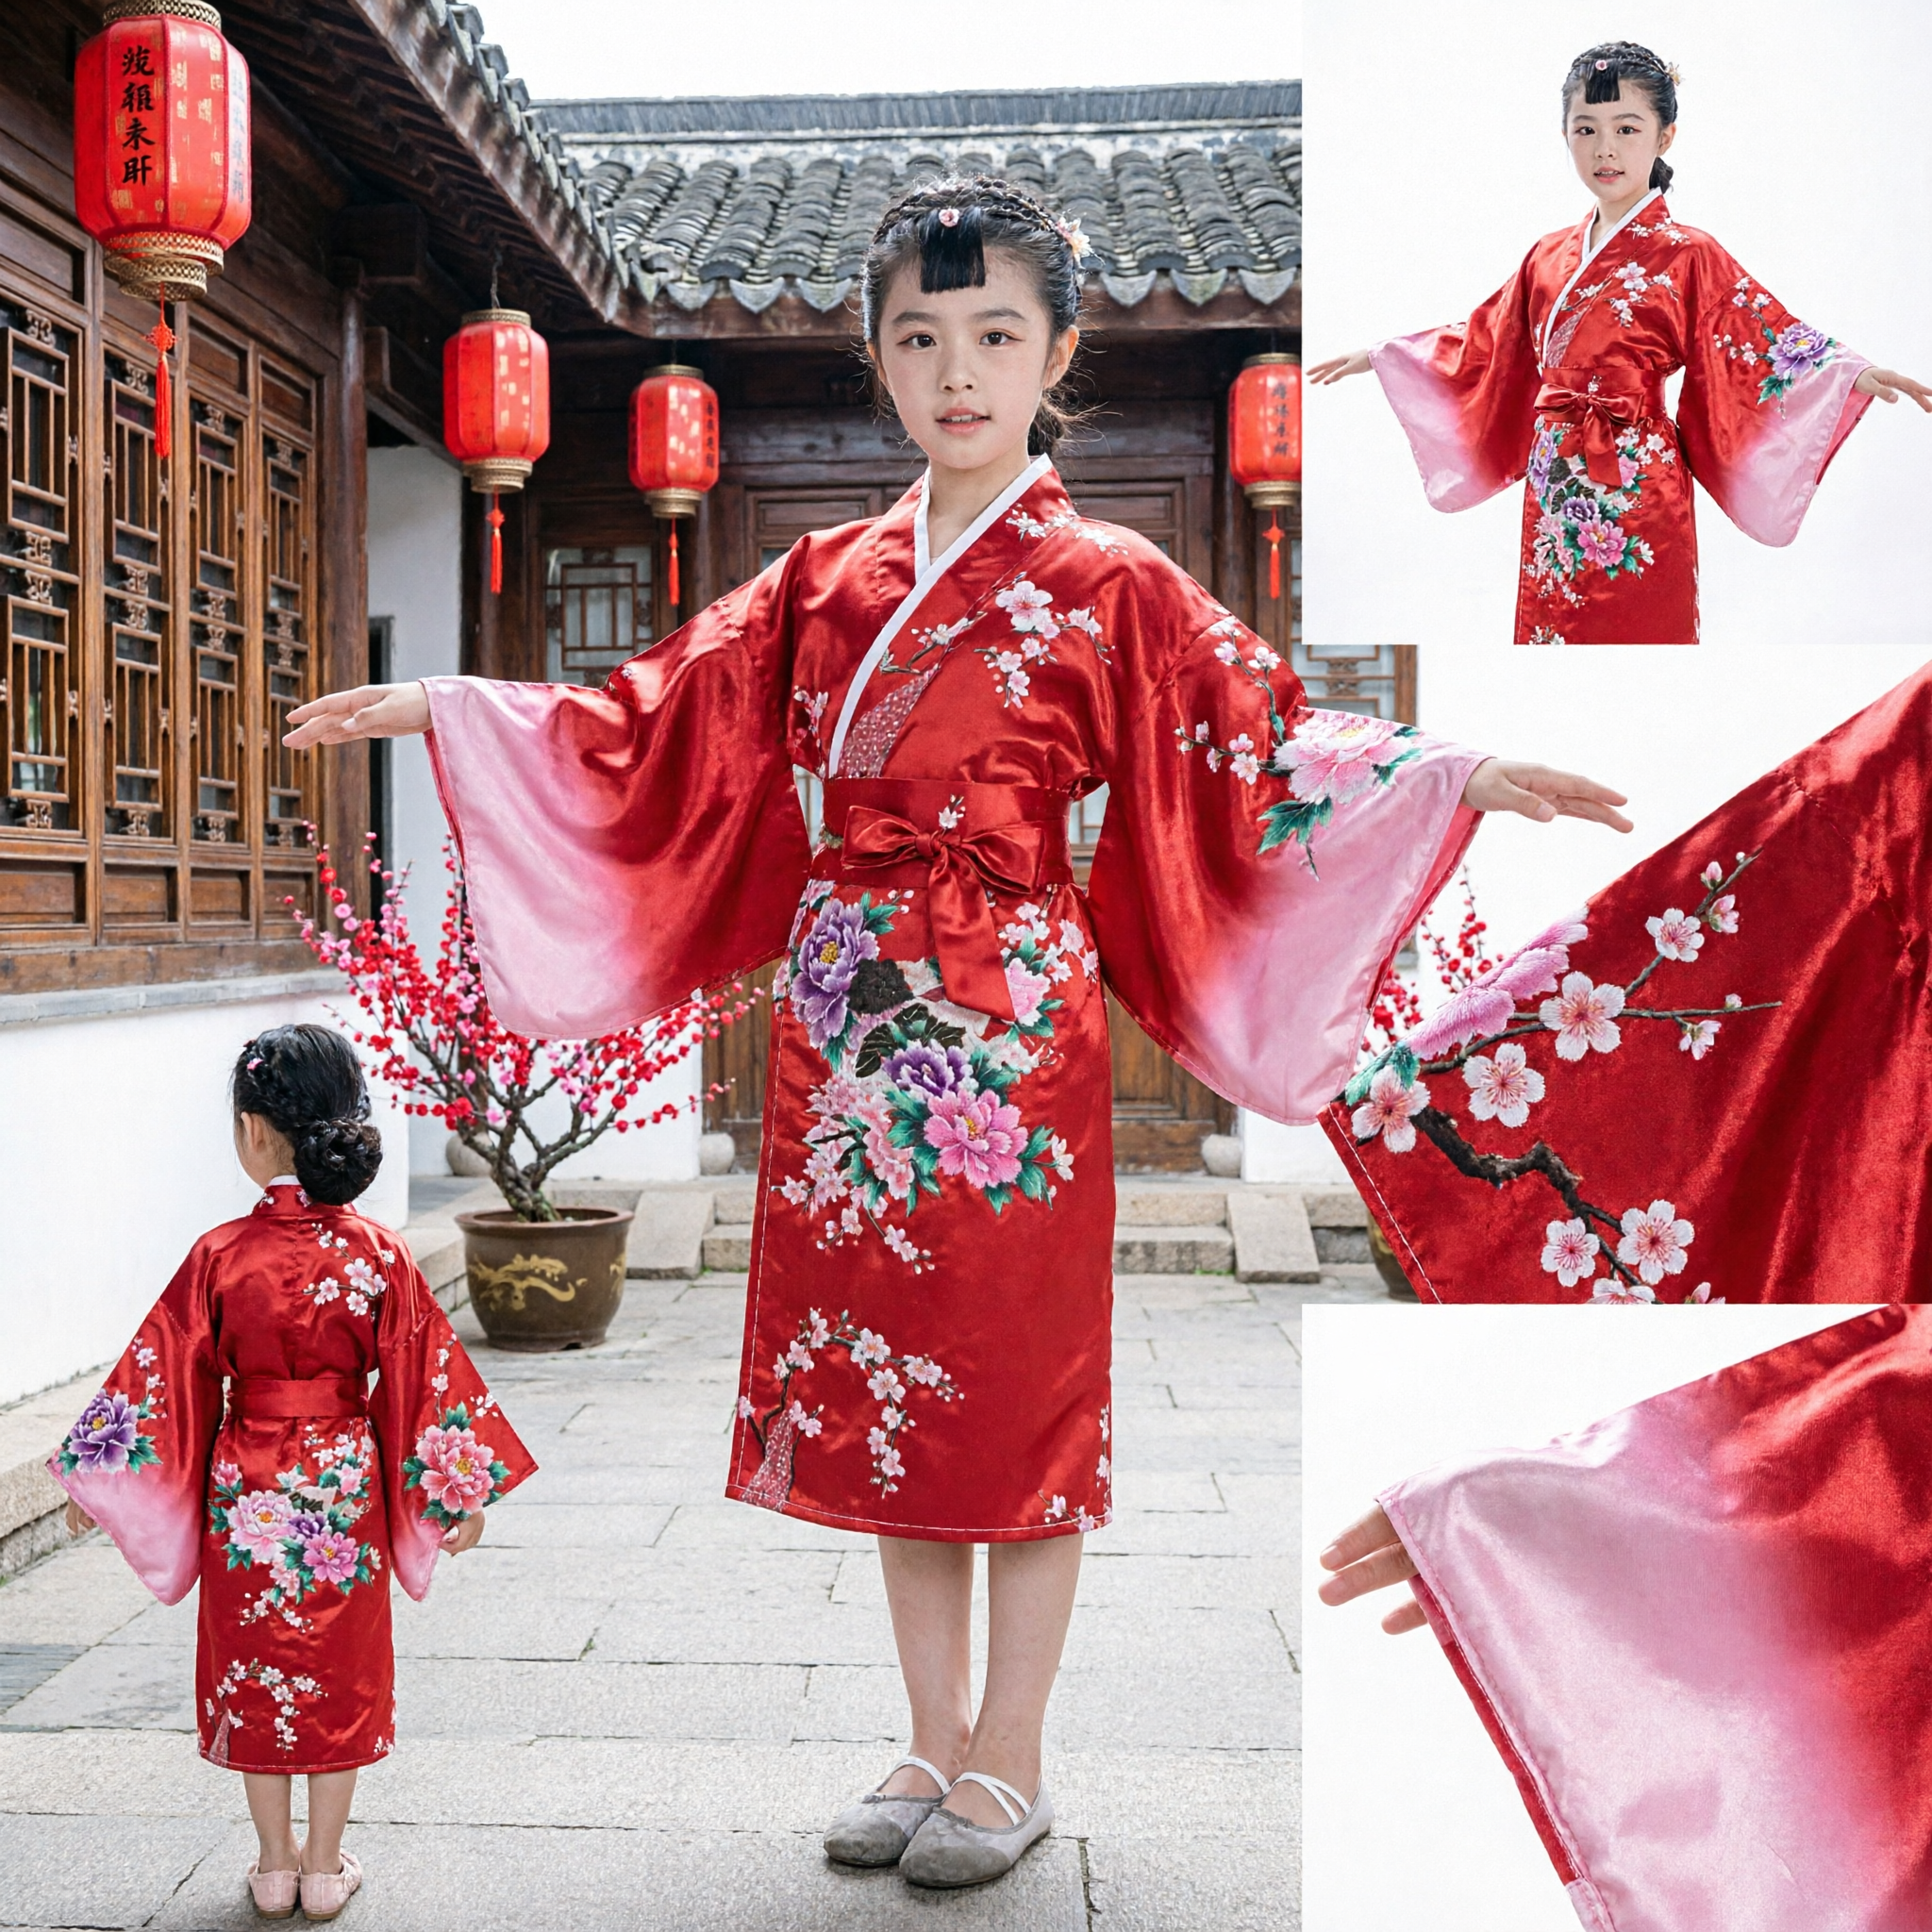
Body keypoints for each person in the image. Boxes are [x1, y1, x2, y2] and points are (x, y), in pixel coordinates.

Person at [282, 175, 1627, 1889]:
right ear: (877, 361)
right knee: (890, 1400)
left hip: (1005, 1037)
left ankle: (1016, 1752)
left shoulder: (1114, 578)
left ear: (1054, 353)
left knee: (1017, 1395)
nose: (956, 369)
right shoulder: (822, 579)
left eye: (995, 334)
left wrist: (1454, 773)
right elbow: (650, 717)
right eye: (917, 338)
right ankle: (927, 1737)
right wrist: (450, 706)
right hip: (848, 1029)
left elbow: (1261, 740)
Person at [52, 1024, 536, 1921]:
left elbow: (168, 1374)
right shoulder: (378, 1253)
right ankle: (323, 1867)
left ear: (255, 1134)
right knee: (341, 1667)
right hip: (342, 1483)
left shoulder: (220, 1255)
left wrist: (106, 1483)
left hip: (247, 1490)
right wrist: (459, 1494)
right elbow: (427, 1371)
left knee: (255, 1662)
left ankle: (271, 1866)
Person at [1309, 40, 1932, 646]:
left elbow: (1760, 336)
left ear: (1665, 137)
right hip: (1557, 476)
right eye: (1587, 129)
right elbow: (1485, 341)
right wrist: (1388, 357)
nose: (1606, 149)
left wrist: (1847, 373)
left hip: (1640, 477)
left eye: (1628, 129)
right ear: (1565, 137)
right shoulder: (1547, 255)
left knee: (1643, 625)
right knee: (1554, 625)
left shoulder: (1690, 253)